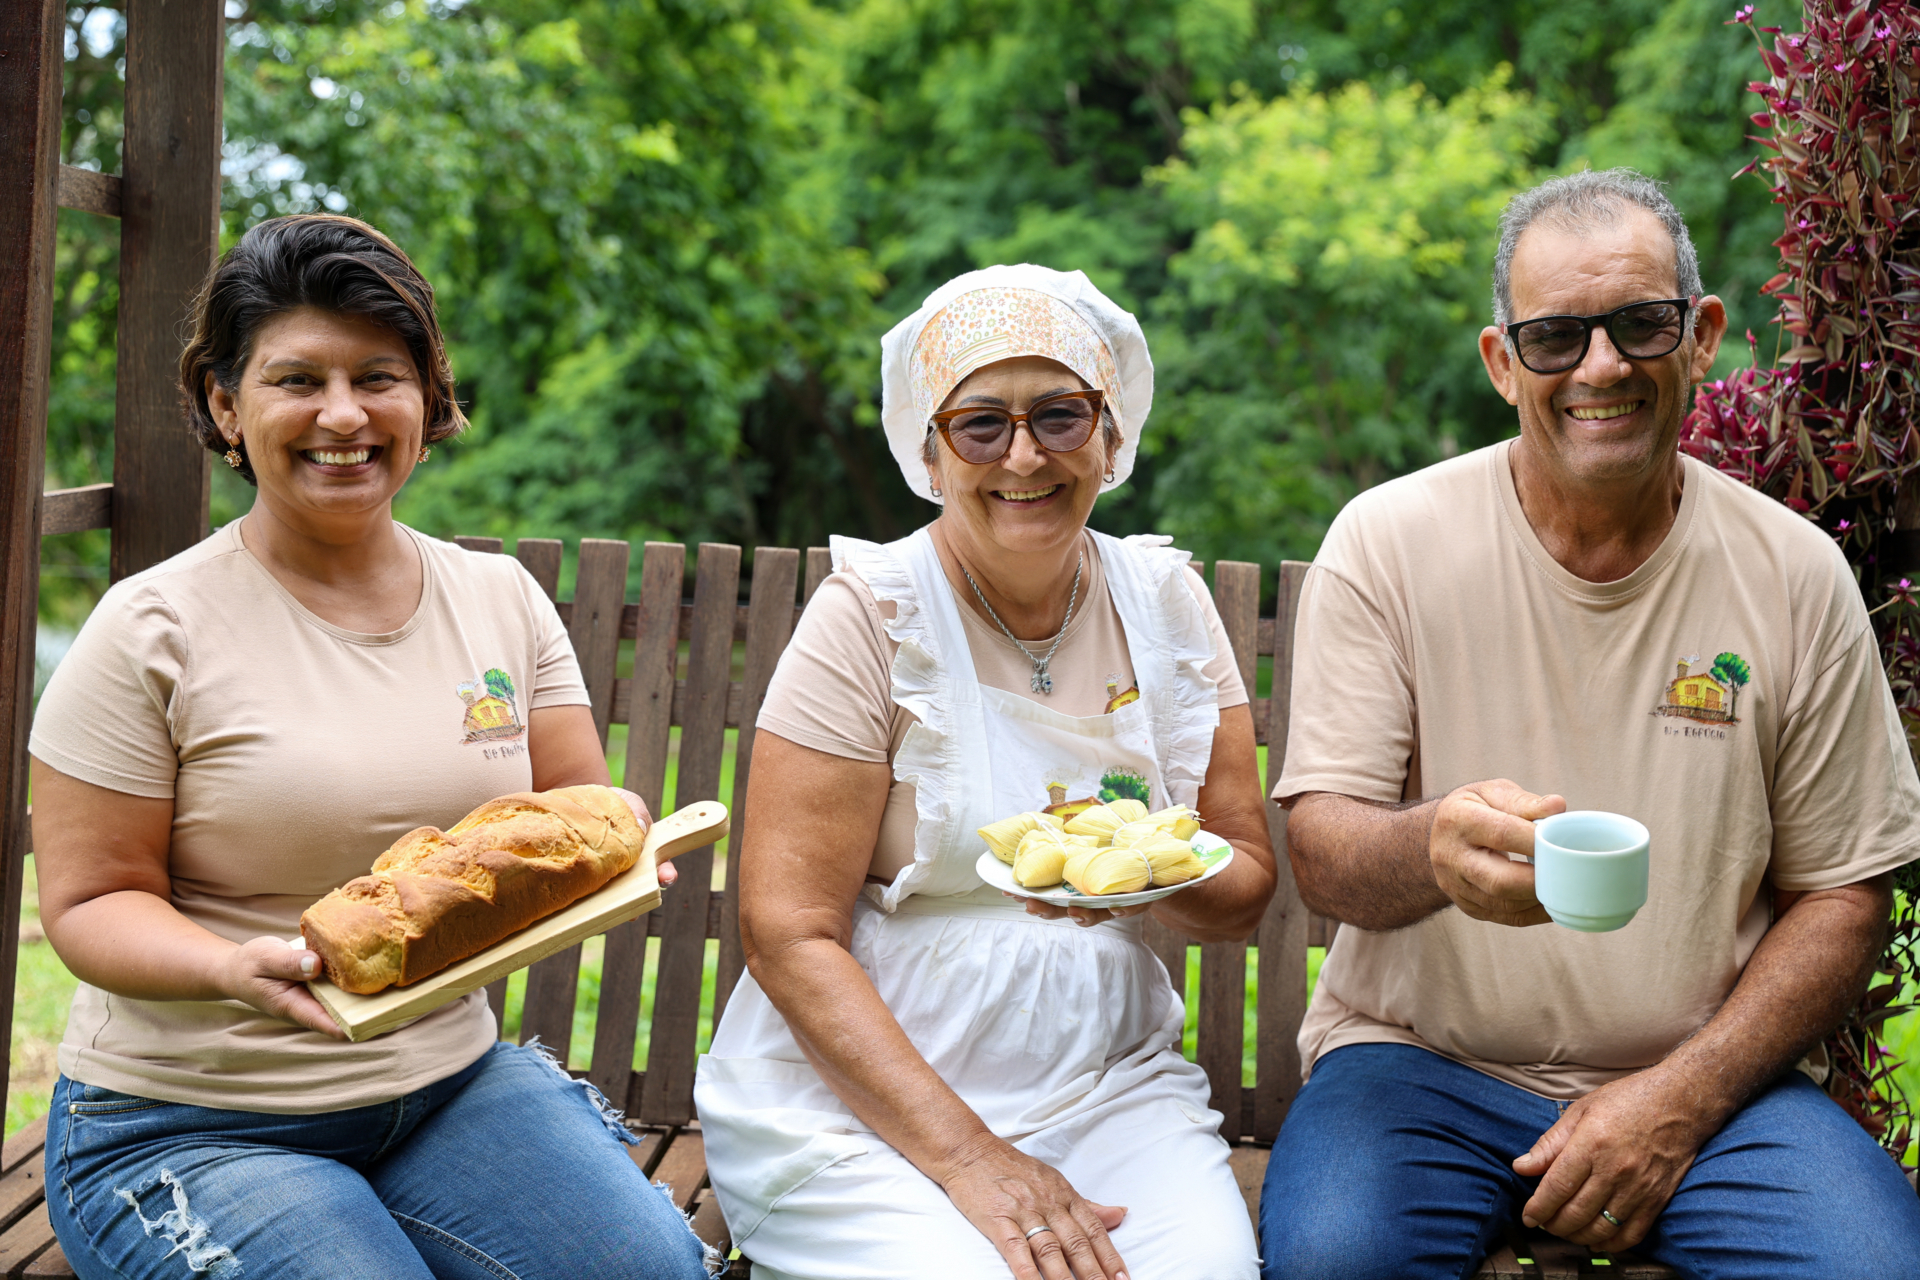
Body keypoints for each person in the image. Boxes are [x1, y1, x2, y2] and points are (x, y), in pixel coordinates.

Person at [1257, 168, 1920, 1279]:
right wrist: (1432, 850)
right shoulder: (1388, 540)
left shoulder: (1794, 570)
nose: (1601, 366)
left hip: (1705, 1083)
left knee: (1869, 1267)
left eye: (1640, 324)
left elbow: (1845, 892)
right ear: (1501, 362)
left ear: (1702, 335)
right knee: (1338, 1261)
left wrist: (1678, 1097)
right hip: (1419, 1067)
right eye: (1556, 336)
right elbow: (1322, 848)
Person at [29, 215, 715, 1280]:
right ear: (225, 402)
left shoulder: (499, 600)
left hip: (448, 1084)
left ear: (427, 398)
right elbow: (85, 904)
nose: (342, 414)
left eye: (379, 376)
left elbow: (582, 808)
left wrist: (619, 849)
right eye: (297, 378)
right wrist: (230, 967)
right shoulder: (150, 627)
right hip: (192, 1118)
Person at [695, 265, 1276, 1280]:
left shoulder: (1168, 604)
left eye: (1059, 415)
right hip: (855, 1103)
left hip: (1107, 1086)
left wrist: (1156, 871)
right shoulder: (872, 614)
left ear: (1109, 432)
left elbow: (1244, 887)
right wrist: (971, 1157)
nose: (1023, 455)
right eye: (979, 423)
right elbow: (787, 931)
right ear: (930, 447)